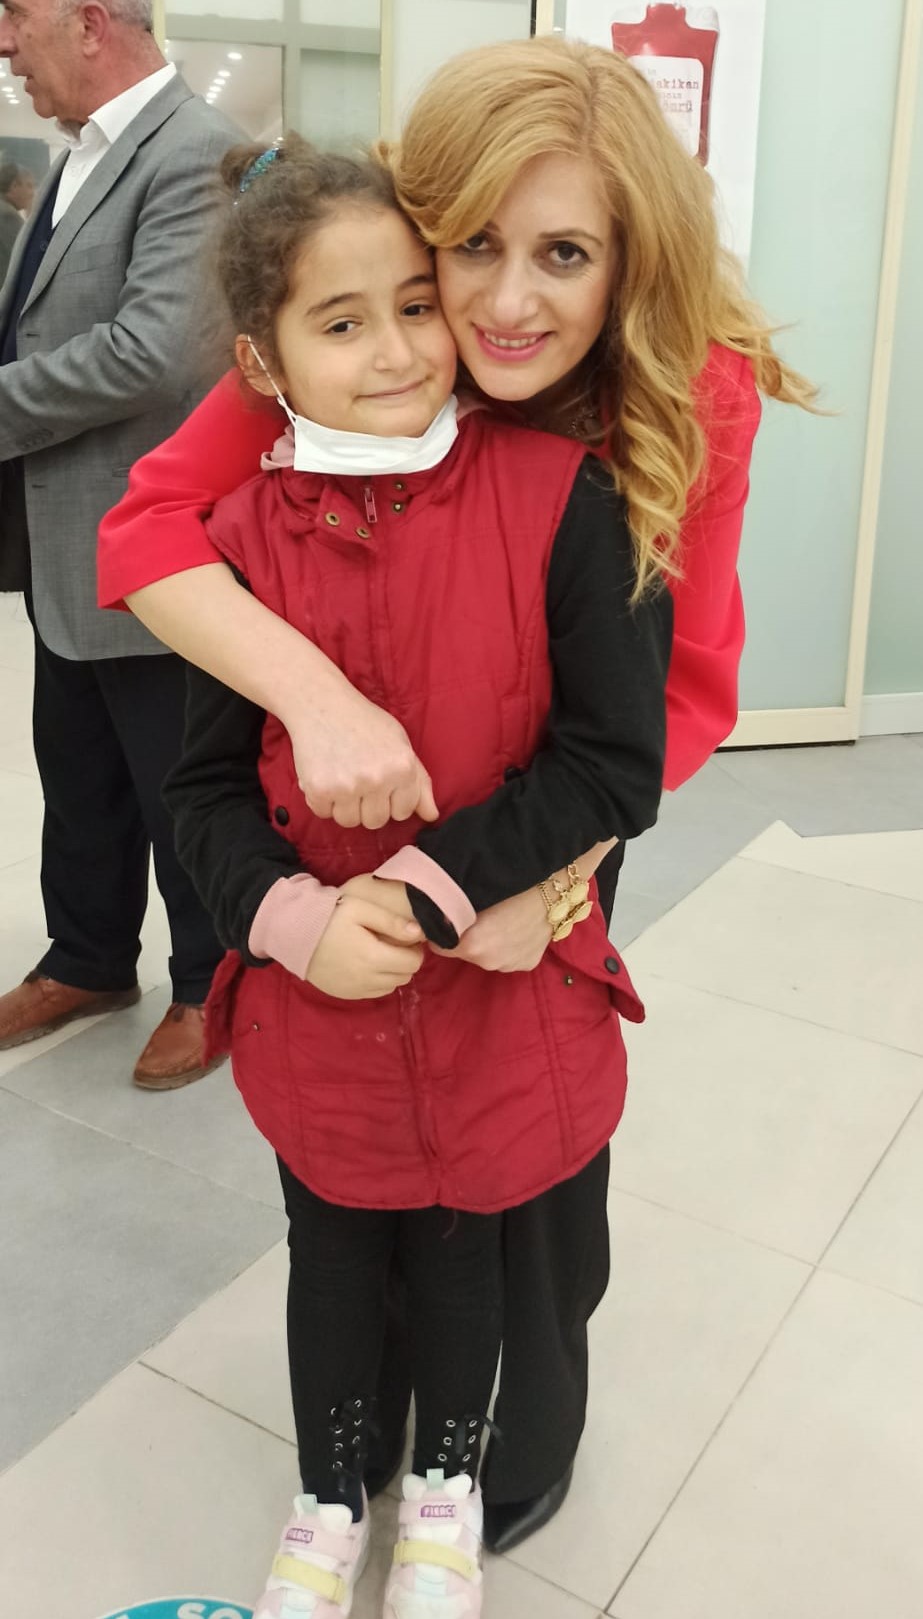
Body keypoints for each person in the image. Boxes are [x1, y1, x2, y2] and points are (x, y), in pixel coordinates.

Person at [97, 35, 816, 1546]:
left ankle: (516, 1435)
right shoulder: (359, 333)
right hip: (356, 800)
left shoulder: (690, 392)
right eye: (470, 245)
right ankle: (376, 1408)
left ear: (628, 261)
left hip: (554, 801)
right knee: (365, 1134)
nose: (502, 304)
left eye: (563, 254)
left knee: (524, 1141)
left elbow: (670, 697)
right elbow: (150, 533)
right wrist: (319, 700)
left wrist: (543, 881)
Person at [164, 133, 670, 1617]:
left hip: (495, 1001)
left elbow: (609, 759)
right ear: (262, 362)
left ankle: (444, 1491)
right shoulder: (232, 544)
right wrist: (290, 919)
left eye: (410, 305)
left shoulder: (561, 494)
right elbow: (199, 789)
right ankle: (330, 1499)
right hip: (319, 1009)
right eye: (341, 322)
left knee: (470, 1252)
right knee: (328, 1253)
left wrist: (433, 886)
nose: (395, 350)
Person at [0, 0, 240, 1086]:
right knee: (80, 774)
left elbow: (152, 353)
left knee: (176, 779)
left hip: (153, 548)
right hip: (65, 543)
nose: (5, 42)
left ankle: (207, 981)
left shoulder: (193, 152)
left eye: (17, 14)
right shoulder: (77, 160)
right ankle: (89, 957)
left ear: (91, 20)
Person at [0, 163, 34, 283]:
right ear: (14, 186)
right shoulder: (7, 215)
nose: (32, 193)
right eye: (29, 186)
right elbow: (29, 257)